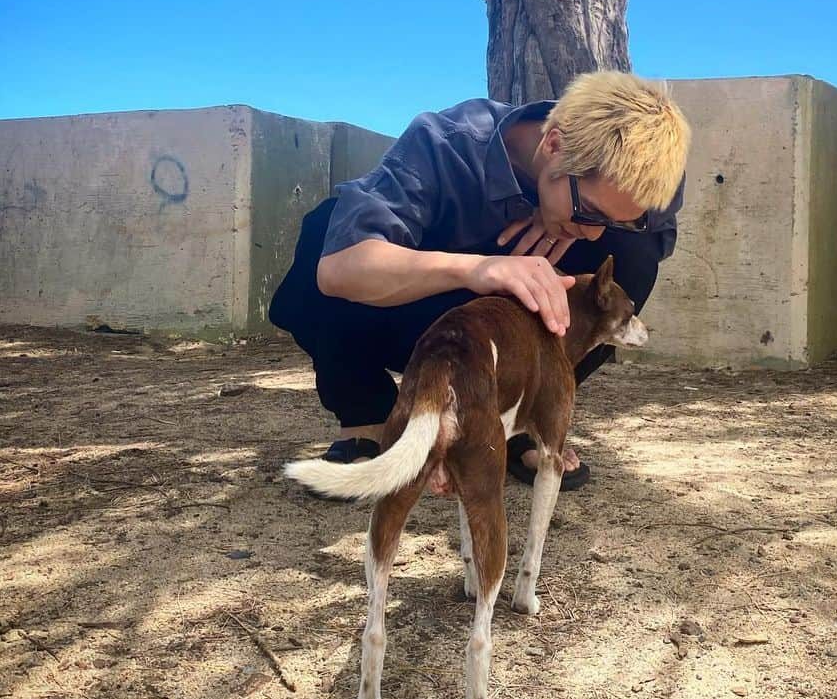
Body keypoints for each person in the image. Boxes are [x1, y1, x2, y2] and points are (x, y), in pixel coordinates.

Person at [269, 71, 690, 491]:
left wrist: (566, 217)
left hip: (508, 336)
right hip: (417, 317)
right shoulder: (447, 143)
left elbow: (644, 229)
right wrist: (477, 267)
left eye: (613, 220)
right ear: (554, 145)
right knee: (328, 228)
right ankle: (366, 416)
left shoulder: (646, 174)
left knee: (636, 255)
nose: (595, 232)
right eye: (589, 212)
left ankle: (523, 416)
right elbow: (339, 268)